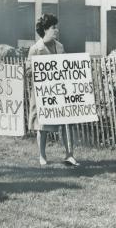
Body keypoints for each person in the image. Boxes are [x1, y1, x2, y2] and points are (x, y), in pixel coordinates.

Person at [27, 14, 79, 166]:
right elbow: (29, 71)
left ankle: (69, 155)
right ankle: (42, 156)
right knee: (42, 126)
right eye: (53, 27)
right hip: (42, 94)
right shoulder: (35, 49)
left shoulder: (60, 46)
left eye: (56, 27)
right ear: (45, 30)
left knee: (66, 123)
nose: (56, 30)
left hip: (59, 92)